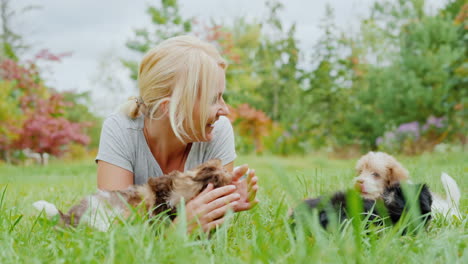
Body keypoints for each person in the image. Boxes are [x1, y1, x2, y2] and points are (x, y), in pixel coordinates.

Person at [95, 35, 259, 232]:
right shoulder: (120, 129)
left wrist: (228, 202)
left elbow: (210, 230)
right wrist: (177, 232)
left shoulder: (218, 129)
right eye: (213, 100)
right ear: (170, 108)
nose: (225, 110)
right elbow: (112, 229)